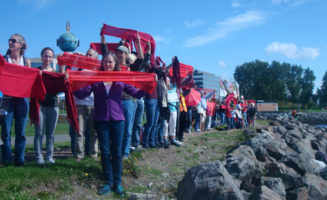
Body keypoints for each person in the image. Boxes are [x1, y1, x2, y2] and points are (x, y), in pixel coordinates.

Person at [74, 51, 145, 196]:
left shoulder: (120, 79)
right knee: (105, 153)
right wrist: (71, 84)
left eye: (110, 62)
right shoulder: (96, 79)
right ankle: (108, 181)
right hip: (101, 119)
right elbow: (82, 93)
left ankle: (117, 183)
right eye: (105, 61)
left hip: (118, 119)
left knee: (117, 153)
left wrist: (150, 84)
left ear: (115, 64)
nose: (108, 64)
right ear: (102, 64)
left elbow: (136, 93)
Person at [1, 33, 31, 166]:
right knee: (6, 130)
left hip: (22, 99)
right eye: (9, 40)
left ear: (21, 44)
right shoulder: (3, 60)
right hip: (7, 99)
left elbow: (29, 80)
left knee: (21, 130)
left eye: (13, 41)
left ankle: (20, 159)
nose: (10, 43)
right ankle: (7, 158)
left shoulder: (26, 61)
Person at [34, 47, 59, 164]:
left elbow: (61, 87)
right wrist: (37, 76)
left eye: (50, 56)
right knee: (39, 132)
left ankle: (49, 156)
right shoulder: (36, 71)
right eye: (45, 56)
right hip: (40, 105)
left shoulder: (55, 73)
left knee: (51, 133)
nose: (47, 58)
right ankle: (39, 156)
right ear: (41, 56)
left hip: (53, 105)